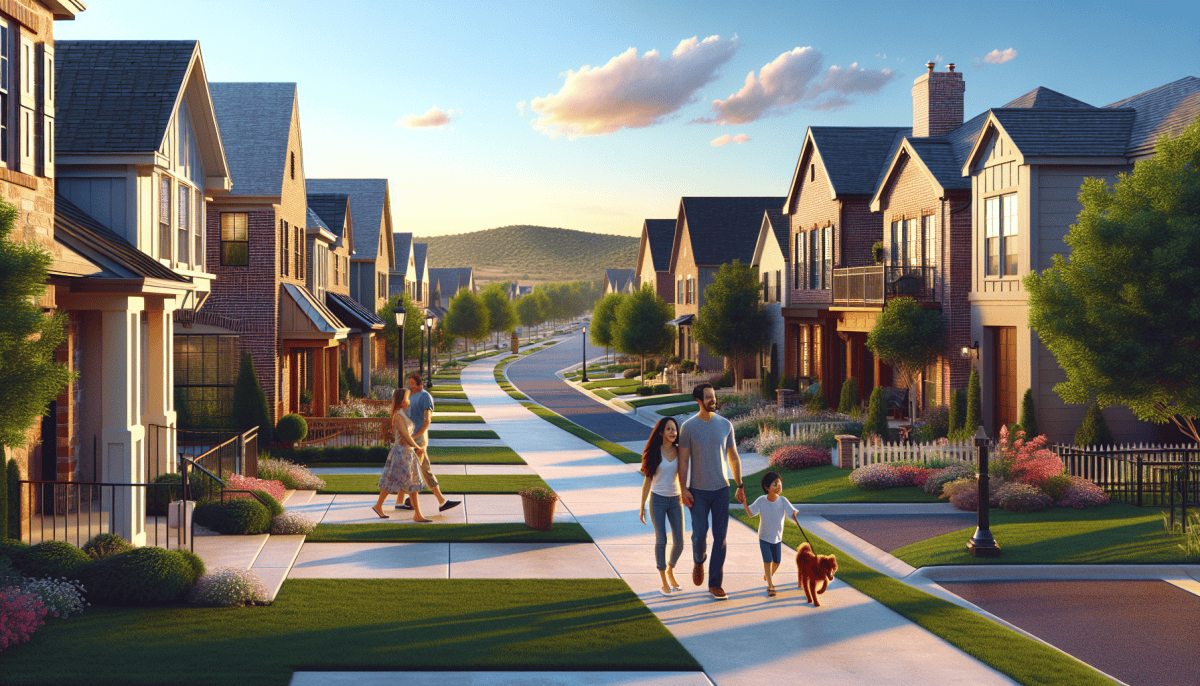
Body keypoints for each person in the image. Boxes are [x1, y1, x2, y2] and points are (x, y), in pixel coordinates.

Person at [678, 382, 744, 600]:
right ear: (699, 401)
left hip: (721, 490)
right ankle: (699, 561)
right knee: (699, 535)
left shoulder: (725, 425)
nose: (713, 400)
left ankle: (715, 583)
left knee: (721, 538)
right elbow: (684, 460)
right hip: (698, 491)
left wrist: (740, 484)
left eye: (714, 396)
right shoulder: (688, 427)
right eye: (708, 397)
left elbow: (733, 457)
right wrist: (683, 489)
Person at [396, 372, 461, 513]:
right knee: (417, 470)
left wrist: (414, 436)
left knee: (415, 470)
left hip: (418, 440)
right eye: (410, 384)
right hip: (411, 439)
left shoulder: (425, 396)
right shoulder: (410, 398)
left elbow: (427, 421)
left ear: (421, 384)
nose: (412, 386)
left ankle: (404, 501)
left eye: (414, 384)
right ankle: (437, 501)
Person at [638, 417, 685, 596]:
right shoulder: (654, 452)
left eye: (674, 429)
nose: (673, 432)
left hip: (675, 500)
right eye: (669, 429)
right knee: (661, 540)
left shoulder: (680, 451)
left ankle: (671, 569)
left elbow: (684, 475)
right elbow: (647, 481)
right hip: (657, 500)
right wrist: (642, 505)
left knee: (679, 542)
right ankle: (664, 579)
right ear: (661, 432)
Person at [372, 388, 431, 522]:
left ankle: (379, 505)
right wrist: (418, 447)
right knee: (408, 482)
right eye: (407, 398)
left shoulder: (403, 414)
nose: (409, 400)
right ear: (402, 401)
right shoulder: (398, 415)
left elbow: (407, 435)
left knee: (404, 482)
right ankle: (416, 514)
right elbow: (405, 435)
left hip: (406, 452)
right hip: (401, 453)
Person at [745, 471, 800, 597]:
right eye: (774, 484)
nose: (778, 486)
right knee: (767, 561)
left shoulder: (783, 500)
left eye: (779, 483)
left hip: (777, 537)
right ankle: (770, 585)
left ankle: (768, 575)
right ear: (766, 487)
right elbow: (750, 513)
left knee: (777, 561)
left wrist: (794, 514)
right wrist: (744, 502)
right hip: (764, 537)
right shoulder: (761, 500)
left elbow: (791, 512)